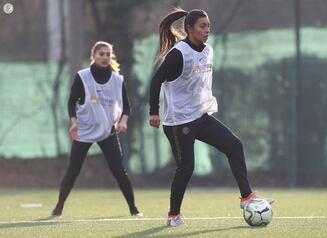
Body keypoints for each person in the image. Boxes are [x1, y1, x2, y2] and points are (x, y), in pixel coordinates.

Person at [149, 8, 274, 227]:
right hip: (179, 122)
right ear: (189, 29)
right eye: (202, 26)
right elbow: (155, 80)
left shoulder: (208, 51)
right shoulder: (178, 54)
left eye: (208, 26)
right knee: (186, 167)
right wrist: (153, 112)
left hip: (200, 116)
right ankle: (173, 216)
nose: (207, 30)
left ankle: (247, 197)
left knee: (234, 145)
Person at [51, 41, 142, 217]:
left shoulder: (117, 79)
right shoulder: (83, 77)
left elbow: (127, 107)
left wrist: (123, 121)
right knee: (73, 171)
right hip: (84, 130)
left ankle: (134, 209)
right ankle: (58, 207)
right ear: (93, 56)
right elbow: (71, 102)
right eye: (101, 54)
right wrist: (74, 122)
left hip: (108, 131)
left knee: (119, 171)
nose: (105, 57)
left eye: (108, 54)